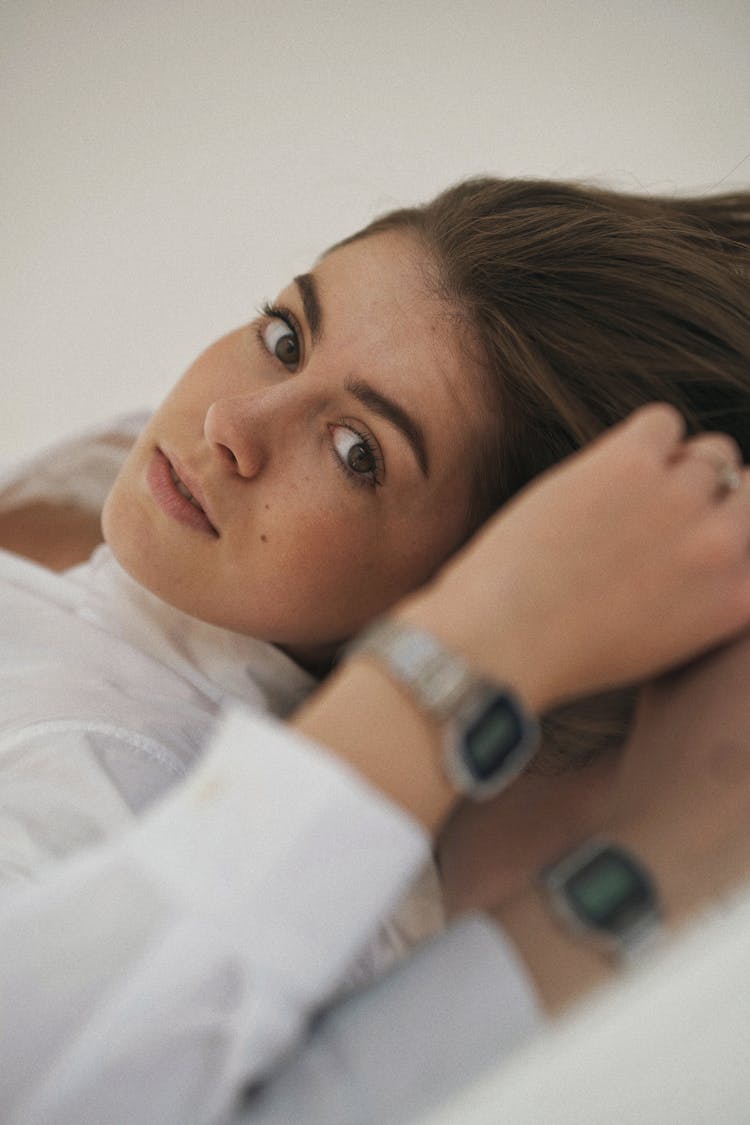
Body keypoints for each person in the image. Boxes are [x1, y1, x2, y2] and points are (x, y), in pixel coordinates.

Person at [1, 176, 749, 1124]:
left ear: (490, 573)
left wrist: (459, 658)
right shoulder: (121, 502)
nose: (233, 424)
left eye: (359, 452)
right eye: (285, 338)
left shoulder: (136, 791)